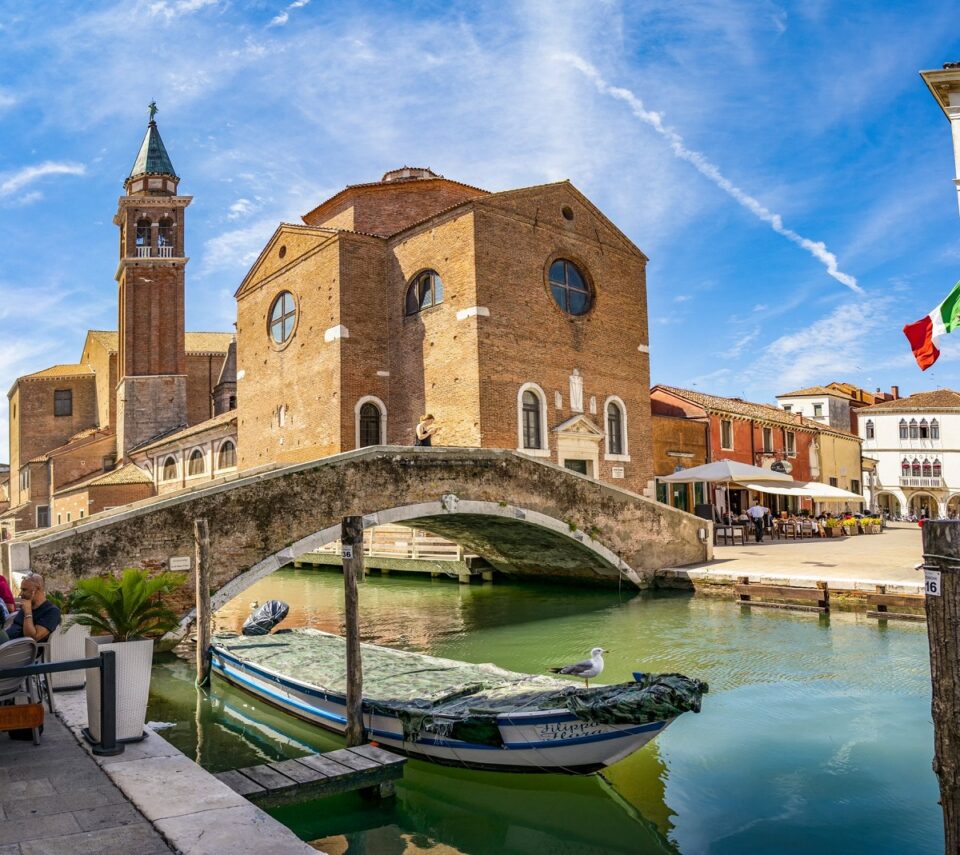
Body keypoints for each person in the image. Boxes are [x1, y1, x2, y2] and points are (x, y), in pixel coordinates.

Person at [5, 573, 60, 642]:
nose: (20, 594)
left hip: (16, 647)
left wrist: (28, 612)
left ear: (38, 589)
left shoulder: (52, 611)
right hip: (6, 642)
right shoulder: (28, 605)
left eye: (24, 590)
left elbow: (31, 638)